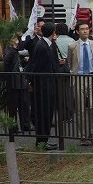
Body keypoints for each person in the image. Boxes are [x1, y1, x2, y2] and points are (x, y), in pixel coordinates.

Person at [26, 21, 60, 150]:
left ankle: (43, 140)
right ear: (53, 33)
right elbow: (37, 66)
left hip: (47, 84)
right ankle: (41, 142)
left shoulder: (47, 44)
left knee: (47, 113)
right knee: (44, 114)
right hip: (43, 86)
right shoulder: (43, 46)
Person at [68, 21, 93, 146]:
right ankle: (82, 136)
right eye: (82, 29)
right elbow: (69, 63)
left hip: (92, 77)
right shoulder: (72, 46)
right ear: (77, 31)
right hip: (79, 77)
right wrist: (73, 74)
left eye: (87, 29)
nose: (85, 31)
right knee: (81, 108)